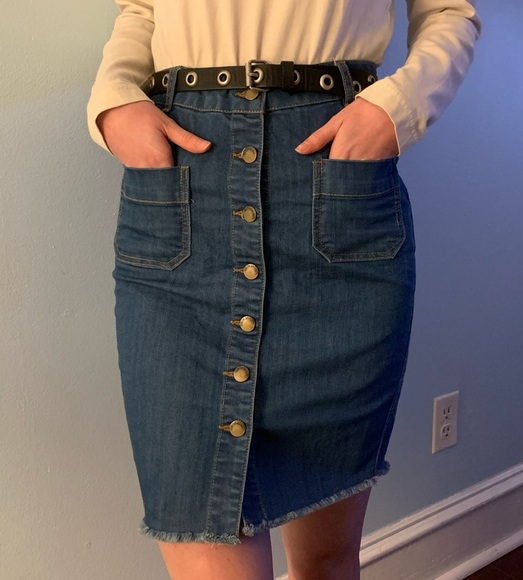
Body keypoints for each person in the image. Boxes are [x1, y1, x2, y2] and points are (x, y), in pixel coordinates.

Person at [88, 1, 481, 578]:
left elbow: (449, 11)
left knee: (326, 559)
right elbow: (142, 10)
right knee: (200, 523)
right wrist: (114, 99)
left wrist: (396, 109)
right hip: (184, 196)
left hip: (334, 189)